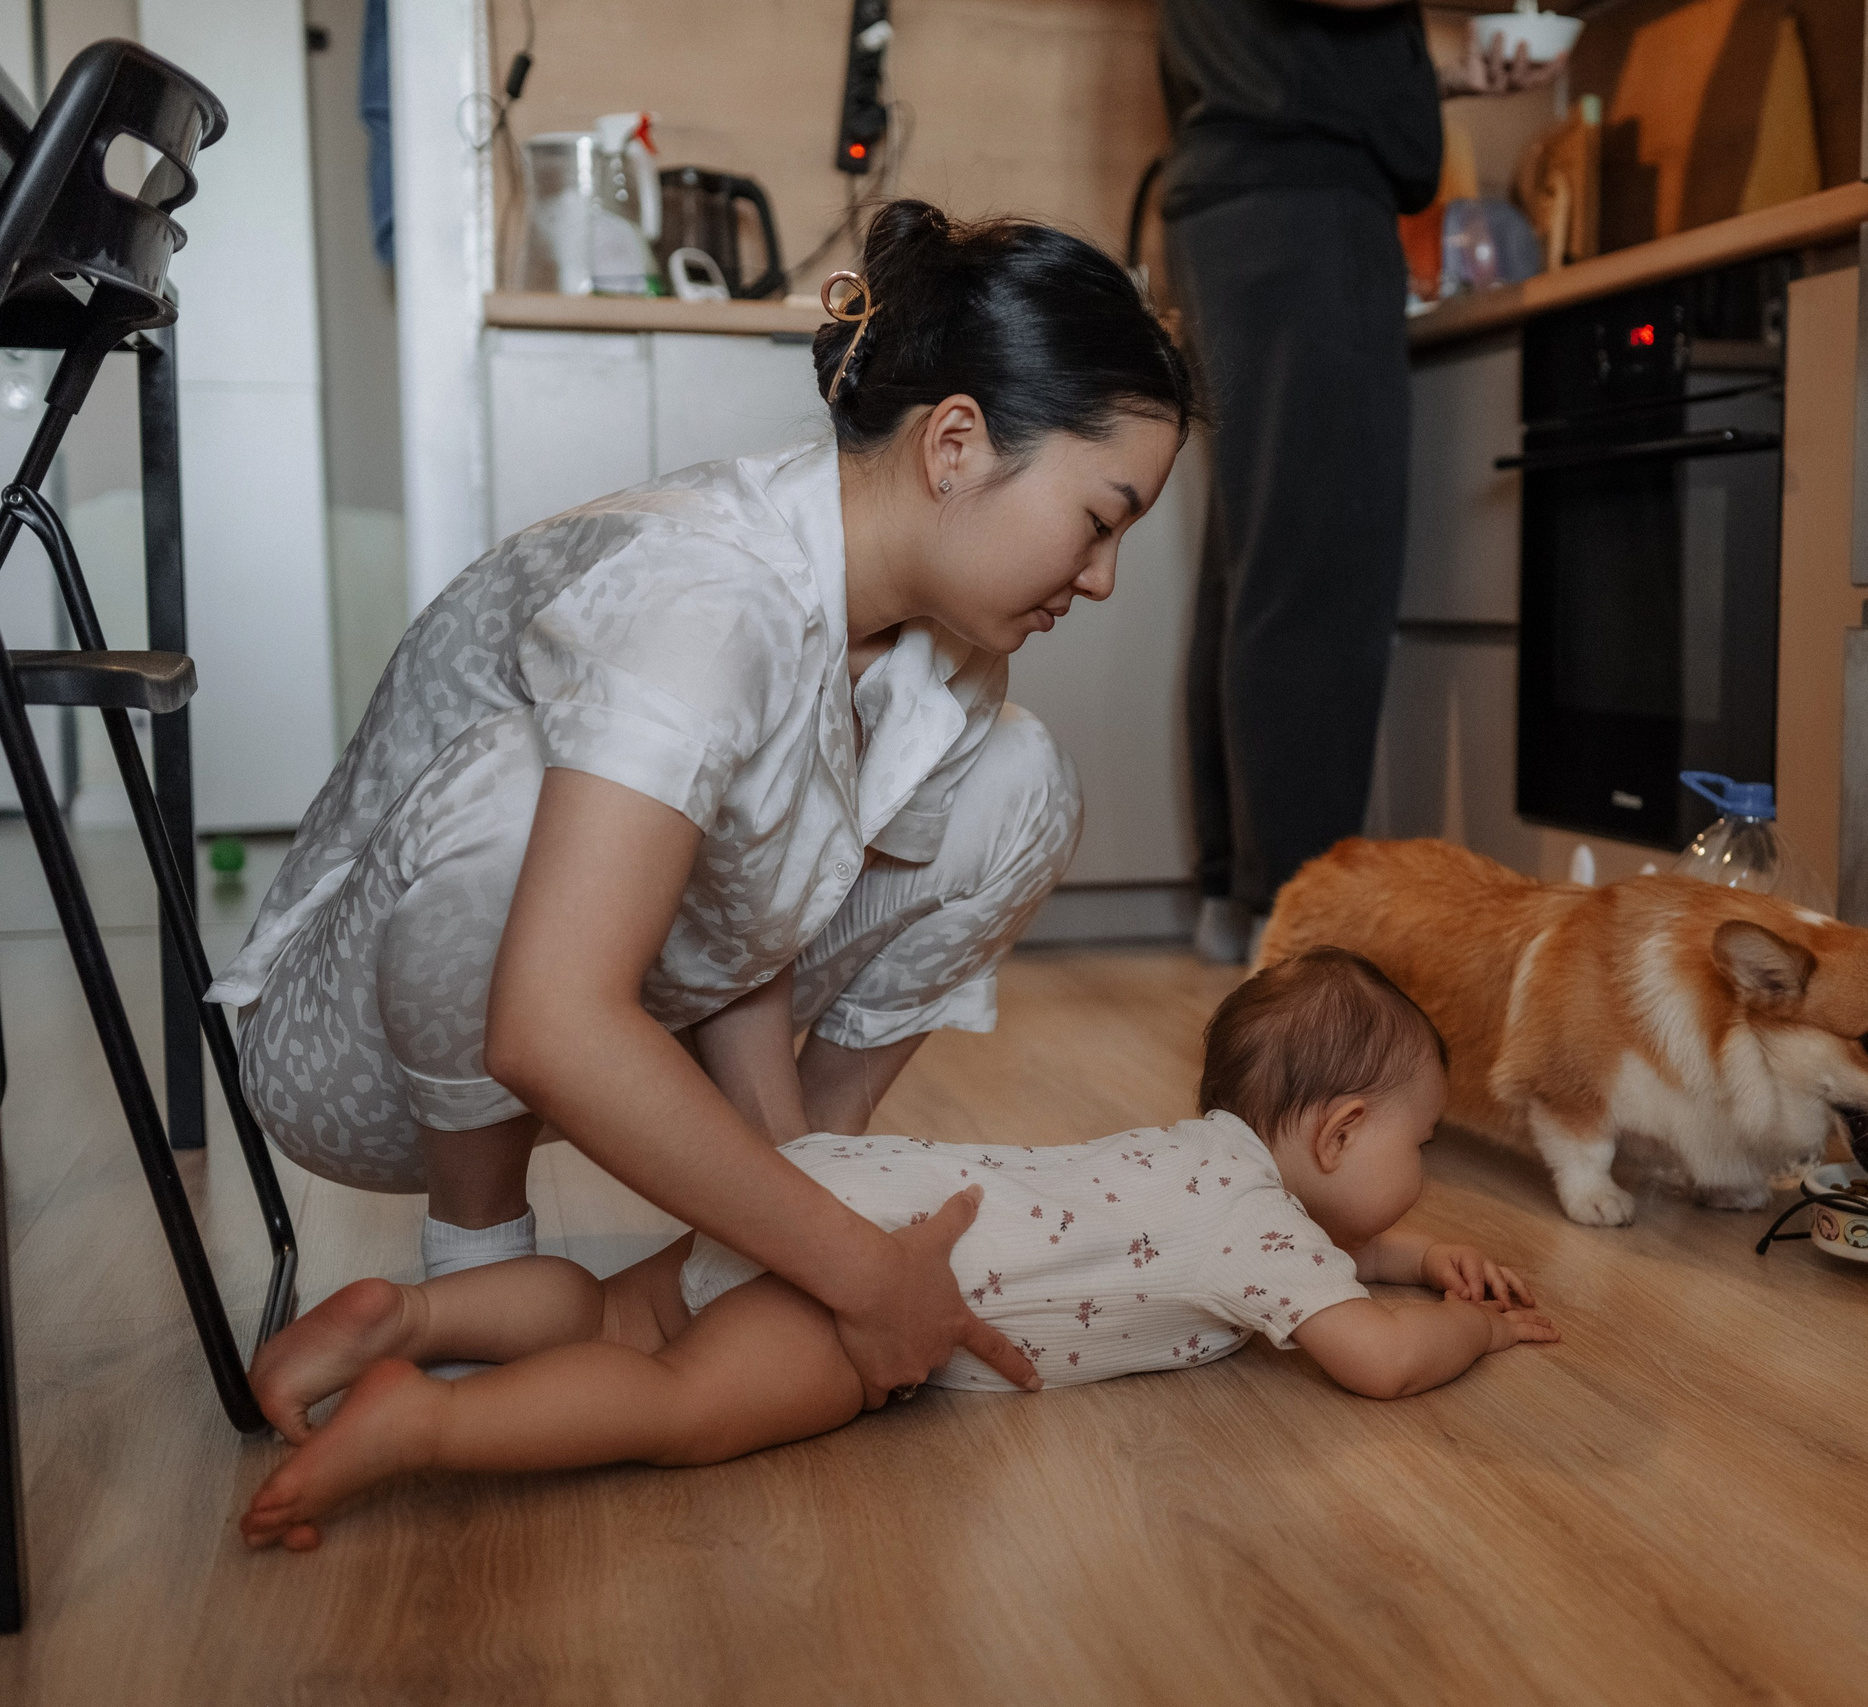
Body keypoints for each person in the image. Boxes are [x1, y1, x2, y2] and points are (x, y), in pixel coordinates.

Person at [207, 202, 1196, 1410]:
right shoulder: (705, 598)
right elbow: (550, 1024)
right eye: (1099, 522)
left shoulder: (939, 647)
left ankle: (790, 1220)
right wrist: (873, 1286)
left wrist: (831, 1241)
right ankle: (475, 1261)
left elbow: (754, 887)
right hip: (358, 1049)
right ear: (954, 445)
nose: (1100, 579)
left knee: (1020, 780)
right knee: (520, 802)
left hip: (624, 984)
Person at [237, 949, 1560, 1550]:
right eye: (1421, 1141)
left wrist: (1409, 1250)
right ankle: (426, 1428)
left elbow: (1339, 1253)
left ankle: (411, 1321)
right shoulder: (1261, 1231)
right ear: (1334, 1130)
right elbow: (1375, 1360)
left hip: (820, 1187)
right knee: (679, 1397)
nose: (1422, 1174)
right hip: (877, 1286)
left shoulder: (1210, 1155)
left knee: (609, 1311)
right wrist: (1477, 1325)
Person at [1157, 0, 1560, 963]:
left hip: (1247, 199)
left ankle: (1244, 897)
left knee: (1266, 557)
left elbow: (1306, 44)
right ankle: (1300, 925)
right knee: (1315, 566)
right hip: (1300, 204)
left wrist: (1438, 75)